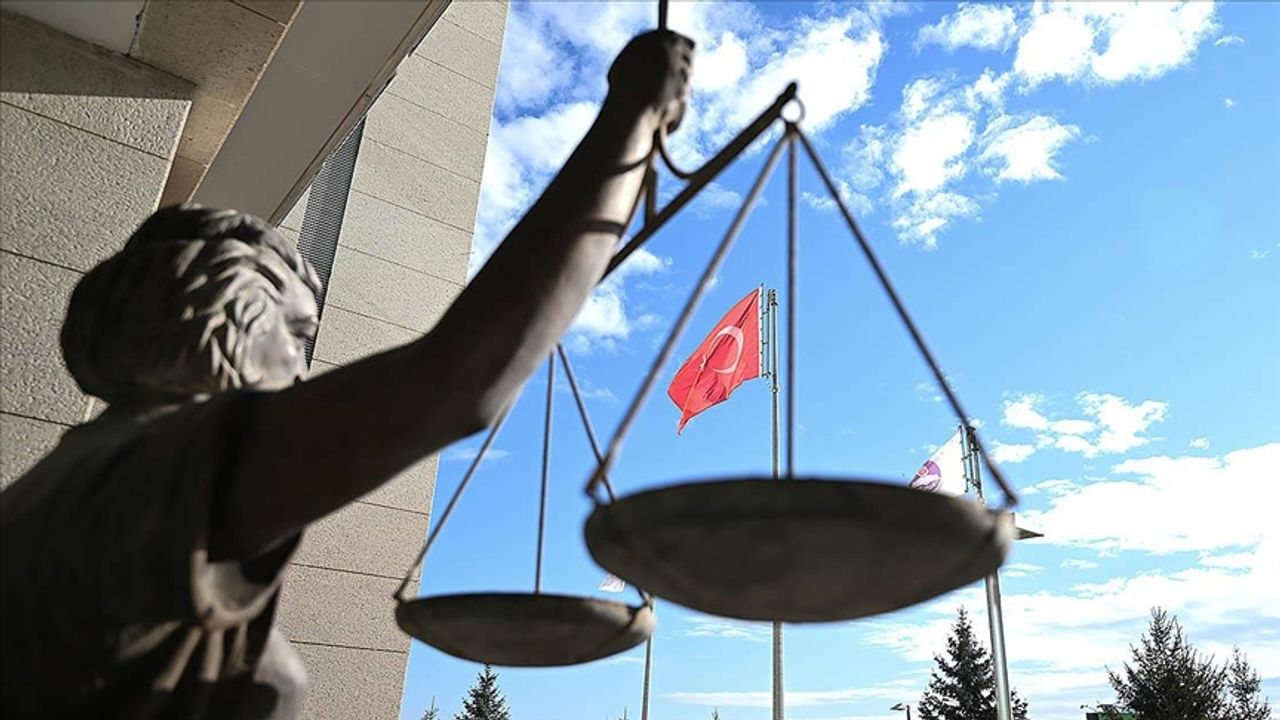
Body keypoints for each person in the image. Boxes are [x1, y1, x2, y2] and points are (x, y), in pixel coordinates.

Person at [0, 29, 694, 720]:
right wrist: (632, 114)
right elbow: (459, 380)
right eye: (297, 332)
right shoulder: (169, 462)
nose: (304, 365)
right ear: (224, 317)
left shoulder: (59, 483)